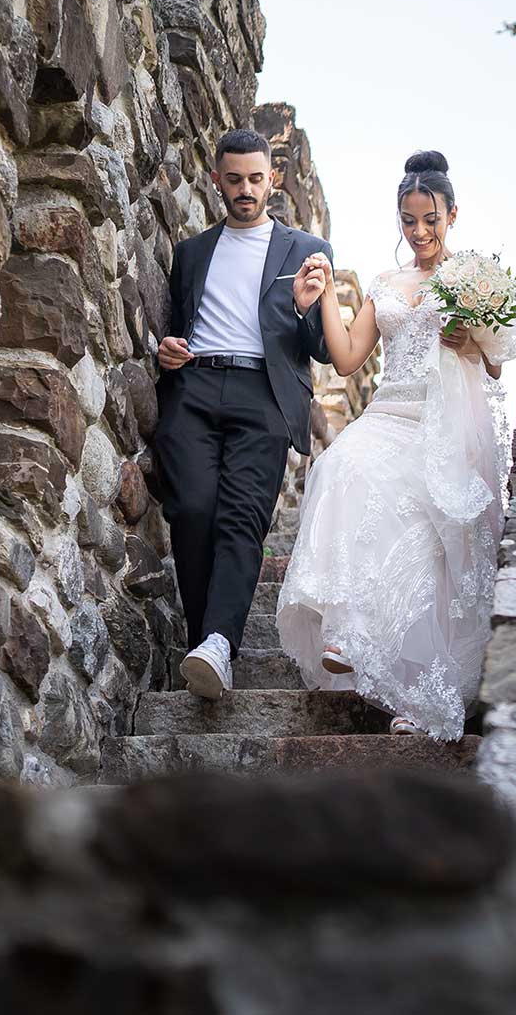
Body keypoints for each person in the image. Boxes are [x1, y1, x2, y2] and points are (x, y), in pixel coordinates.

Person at [275, 150, 516, 739]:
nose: (419, 233)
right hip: (389, 412)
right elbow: (345, 359)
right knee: (340, 466)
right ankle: (345, 629)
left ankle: (422, 693)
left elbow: (494, 369)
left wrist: (472, 338)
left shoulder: (473, 279)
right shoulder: (387, 283)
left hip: (446, 425)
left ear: (452, 215)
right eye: (408, 221)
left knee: (425, 528)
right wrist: (318, 307)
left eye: (430, 220)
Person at [153, 127, 332, 700]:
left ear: (273, 179)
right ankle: (204, 638)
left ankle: (218, 646)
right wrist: (168, 348)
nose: (246, 190)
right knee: (192, 509)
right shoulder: (191, 253)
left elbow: (326, 348)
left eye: (257, 179)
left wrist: (307, 310)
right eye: (234, 180)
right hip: (196, 389)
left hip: (264, 395)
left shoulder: (306, 251)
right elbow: (179, 327)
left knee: (242, 519)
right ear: (216, 181)